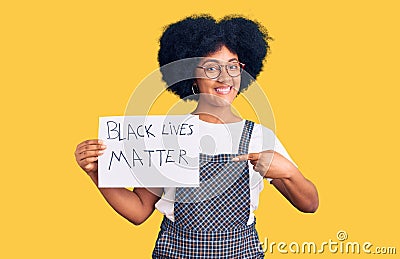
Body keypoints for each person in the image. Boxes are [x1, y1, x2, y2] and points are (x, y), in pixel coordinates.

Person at [75, 14, 319, 258]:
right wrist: (96, 172)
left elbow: (309, 205)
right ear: (190, 74)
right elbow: (138, 211)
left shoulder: (258, 136)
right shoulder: (165, 134)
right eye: (212, 67)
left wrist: (290, 172)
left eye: (233, 66)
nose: (225, 78)